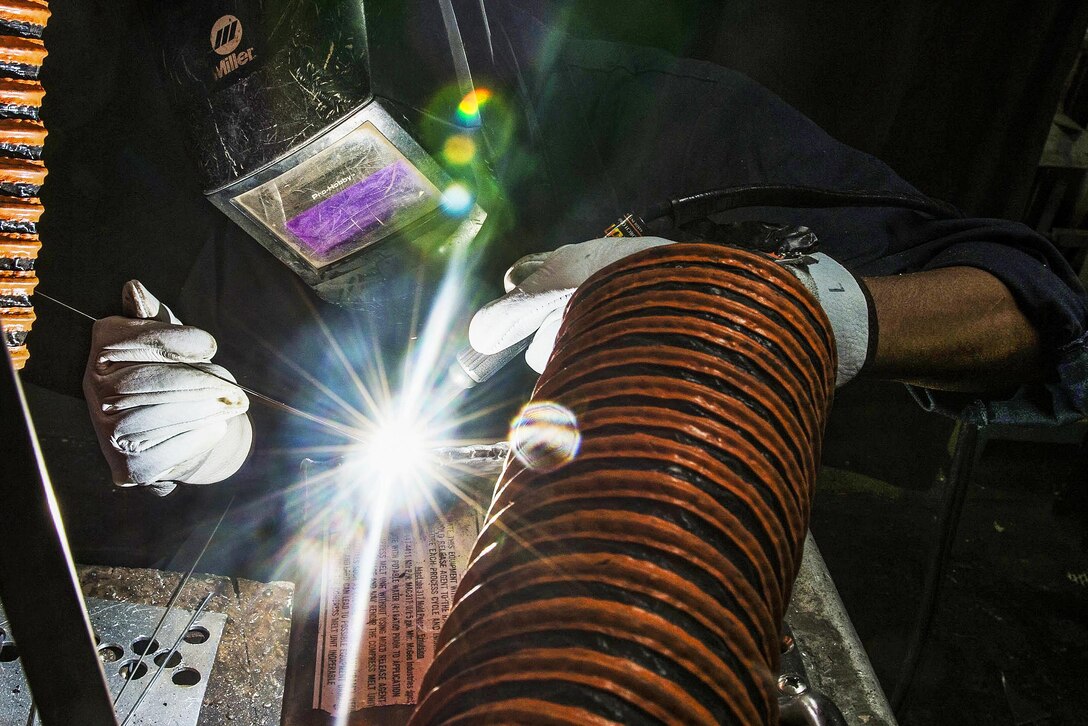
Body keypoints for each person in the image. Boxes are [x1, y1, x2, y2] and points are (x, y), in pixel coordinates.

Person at [72, 2, 1087, 511]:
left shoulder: (644, 124)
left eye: (363, 172)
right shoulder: (179, 171)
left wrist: (771, 309)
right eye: (295, 188)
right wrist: (164, 434)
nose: (337, 212)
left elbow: (1031, 317)